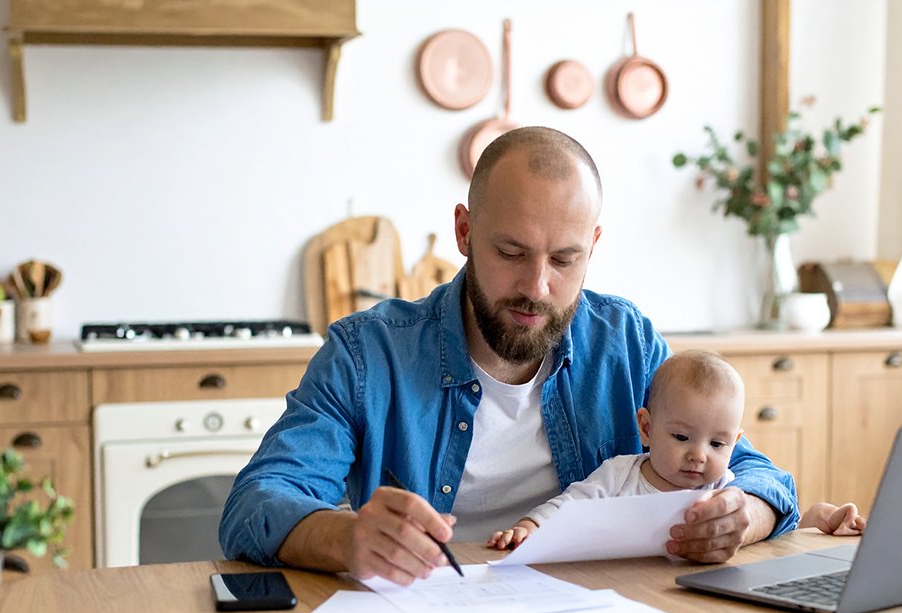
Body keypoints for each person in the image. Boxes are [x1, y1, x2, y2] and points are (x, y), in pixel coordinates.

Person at [218, 126, 801, 586]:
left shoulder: (626, 343)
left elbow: (755, 474)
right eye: (512, 252)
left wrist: (742, 518)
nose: (537, 287)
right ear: (465, 231)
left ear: (593, 245)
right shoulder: (369, 353)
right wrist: (346, 537)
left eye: (565, 259)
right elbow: (256, 502)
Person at [486, 350, 865, 550]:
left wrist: (816, 521)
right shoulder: (621, 475)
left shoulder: (724, 489)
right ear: (647, 428)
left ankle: (826, 517)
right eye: (682, 438)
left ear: (735, 442)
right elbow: (569, 505)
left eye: (718, 444)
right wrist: (530, 526)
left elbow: (771, 532)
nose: (699, 455)